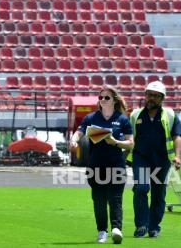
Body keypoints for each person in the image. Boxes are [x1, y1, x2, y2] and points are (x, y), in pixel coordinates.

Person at [70, 86, 134, 244]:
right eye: (101, 97)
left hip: (116, 165)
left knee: (115, 198)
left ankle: (116, 229)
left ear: (114, 100)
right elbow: (79, 132)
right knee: (98, 200)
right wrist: (74, 140)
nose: (103, 100)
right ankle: (102, 231)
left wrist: (116, 142)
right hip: (96, 166)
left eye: (106, 97)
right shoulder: (91, 118)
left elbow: (130, 143)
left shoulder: (123, 119)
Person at [128, 81, 181, 238]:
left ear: (162, 98)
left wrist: (177, 156)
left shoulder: (170, 115)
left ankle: (154, 226)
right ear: (145, 95)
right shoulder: (135, 115)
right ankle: (141, 225)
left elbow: (177, 136)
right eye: (149, 95)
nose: (151, 98)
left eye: (155, 96)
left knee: (158, 194)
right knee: (141, 188)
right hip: (141, 158)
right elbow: (129, 137)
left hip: (162, 160)